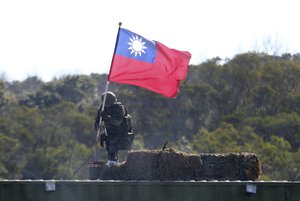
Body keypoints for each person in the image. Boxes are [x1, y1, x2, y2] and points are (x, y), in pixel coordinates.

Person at [94, 91, 133, 166]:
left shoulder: (119, 107)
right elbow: (98, 120)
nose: (107, 104)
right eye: (106, 102)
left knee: (124, 151)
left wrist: (106, 117)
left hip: (121, 133)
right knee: (110, 151)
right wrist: (97, 125)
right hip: (110, 133)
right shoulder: (103, 107)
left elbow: (117, 121)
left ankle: (125, 165)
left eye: (108, 102)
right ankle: (112, 164)